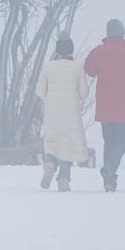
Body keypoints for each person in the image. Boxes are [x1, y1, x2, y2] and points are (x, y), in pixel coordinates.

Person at [84, 19, 125, 192]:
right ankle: (110, 169)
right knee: (122, 141)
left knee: (109, 142)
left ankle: (109, 180)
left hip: (105, 106)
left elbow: (89, 70)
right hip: (124, 106)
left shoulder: (98, 51)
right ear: (122, 33)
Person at [36, 31, 90, 192]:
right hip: (71, 114)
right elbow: (84, 93)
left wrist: (49, 97)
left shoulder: (48, 67)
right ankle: (64, 179)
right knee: (68, 145)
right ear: (71, 49)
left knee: (52, 143)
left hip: (52, 112)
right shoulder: (77, 68)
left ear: (57, 50)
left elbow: (39, 91)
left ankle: (50, 164)